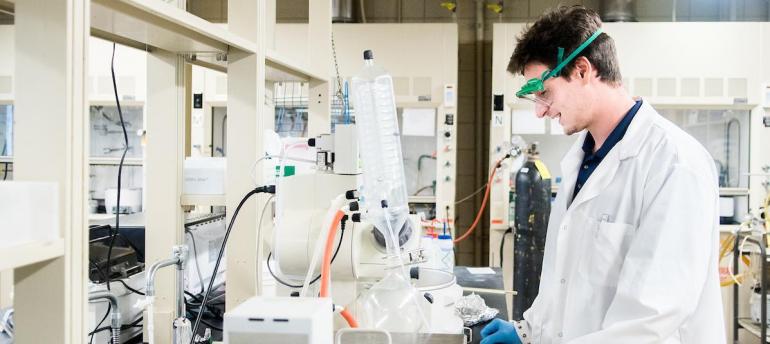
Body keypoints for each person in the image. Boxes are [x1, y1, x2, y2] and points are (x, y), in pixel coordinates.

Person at [480, 6, 725, 344]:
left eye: (544, 92)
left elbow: (650, 320)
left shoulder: (675, 163)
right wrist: (527, 332)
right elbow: (564, 281)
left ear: (582, 69)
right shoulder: (581, 158)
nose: (539, 110)